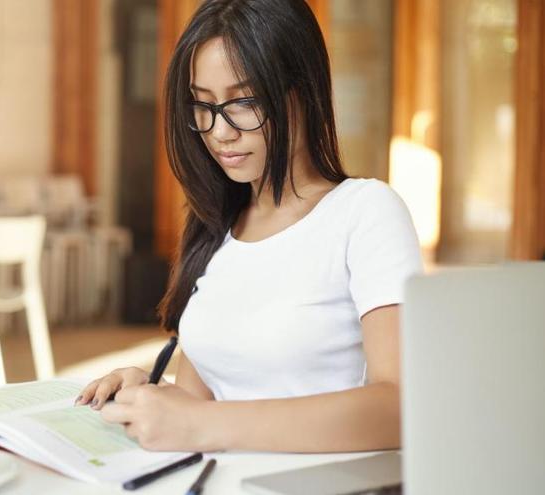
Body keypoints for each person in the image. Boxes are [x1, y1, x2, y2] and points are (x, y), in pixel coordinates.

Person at [76, 0, 422, 453]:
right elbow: (202, 403)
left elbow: (399, 410)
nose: (220, 131)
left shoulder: (365, 212)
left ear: (305, 91)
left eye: (243, 101)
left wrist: (201, 423)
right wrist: (148, 398)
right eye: (203, 105)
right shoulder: (216, 225)